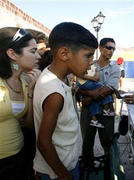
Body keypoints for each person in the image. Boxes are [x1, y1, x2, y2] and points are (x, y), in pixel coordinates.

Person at [33, 22, 98, 180]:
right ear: (64, 54)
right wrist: (64, 175)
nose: (91, 62)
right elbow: (43, 141)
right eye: (88, 55)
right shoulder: (54, 92)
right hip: (56, 172)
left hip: (67, 163)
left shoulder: (59, 77)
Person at [0, 27, 41, 179]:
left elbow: (28, 124)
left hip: (19, 155)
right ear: (12, 54)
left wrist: (30, 91)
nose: (38, 56)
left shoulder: (24, 81)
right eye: (33, 51)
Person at [79, 38, 120, 175]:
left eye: (113, 48)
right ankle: (87, 168)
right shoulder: (91, 65)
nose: (111, 51)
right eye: (108, 47)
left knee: (107, 140)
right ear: (100, 48)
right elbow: (80, 86)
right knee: (87, 140)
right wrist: (86, 94)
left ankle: (109, 169)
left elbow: (109, 88)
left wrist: (89, 96)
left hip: (105, 109)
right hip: (90, 110)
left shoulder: (115, 67)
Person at [77, 64, 113, 128]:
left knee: (94, 100)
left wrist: (90, 95)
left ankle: (94, 120)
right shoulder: (83, 63)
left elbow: (97, 78)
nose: (92, 58)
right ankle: (106, 109)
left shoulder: (93, 66)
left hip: (86, 88)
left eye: (92, 56)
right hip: (84, 84)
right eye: (90, 56)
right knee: (102, 88)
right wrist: (92, 78)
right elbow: (80, 75)